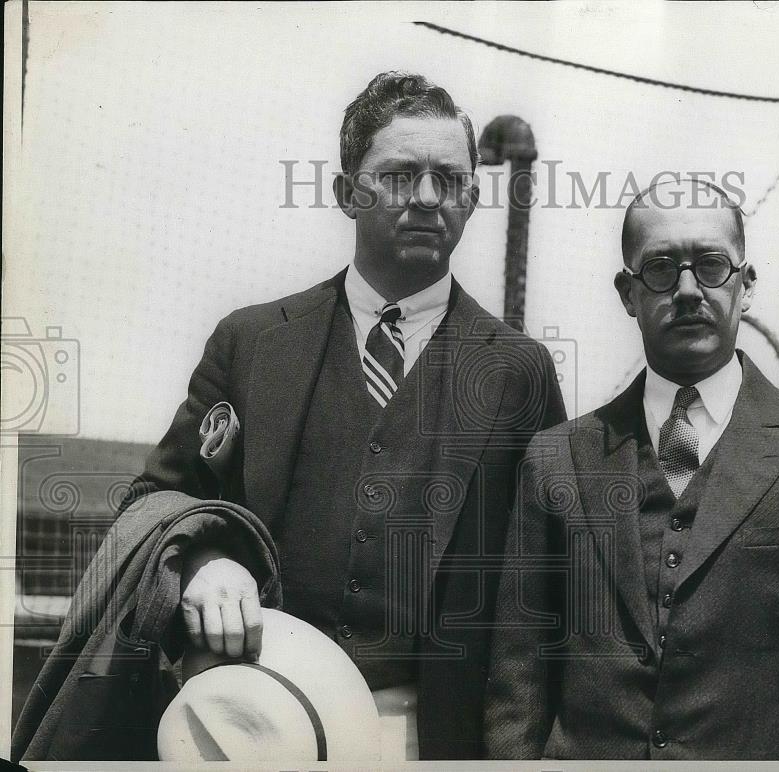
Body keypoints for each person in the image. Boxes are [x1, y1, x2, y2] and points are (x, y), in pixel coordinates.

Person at [125, 71, 566, 759]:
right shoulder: (252, 344)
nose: (425, 198)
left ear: (474, 199)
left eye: (449, 179)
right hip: (250, 722)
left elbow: (548, 584)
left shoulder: (519, 371)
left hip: (431, 740)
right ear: (345, 194)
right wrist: (203, 563)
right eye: (397, 175)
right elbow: (154, 500)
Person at [484, 178, 779, 760]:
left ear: (746, 285)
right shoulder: (556, 458)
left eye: (710, 265)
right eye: (659, 268)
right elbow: (517, 688)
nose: (687, 290)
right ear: (627, 292)